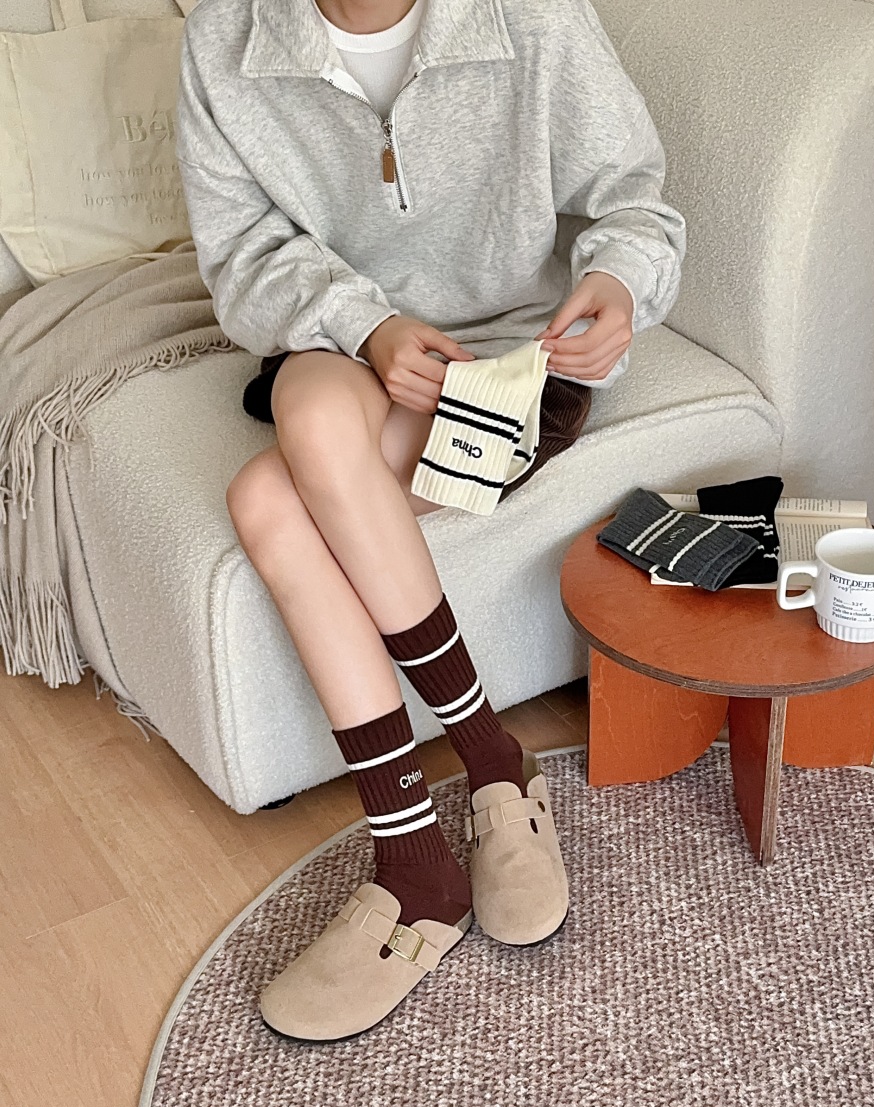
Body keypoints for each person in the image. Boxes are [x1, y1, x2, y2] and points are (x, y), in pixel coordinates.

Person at [174, 0, 685, 1041]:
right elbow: (240, 256)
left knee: (266, 497)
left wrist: (619, 282)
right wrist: (366, 325)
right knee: (313, 419)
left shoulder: (530, 15)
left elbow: (633, 199)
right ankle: (484, 767)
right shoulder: (224, 37)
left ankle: (422, 846)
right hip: (340, 349)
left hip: (509, 364)